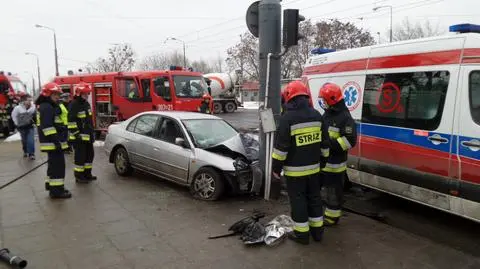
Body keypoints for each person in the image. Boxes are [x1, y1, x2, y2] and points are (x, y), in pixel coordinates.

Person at [271, 81, 330, 245]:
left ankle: (302, 235)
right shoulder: (317, 115)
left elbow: (281, 149)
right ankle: (318, 233)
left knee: (299, 202)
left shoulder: (287, 118)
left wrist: (276, 169)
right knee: (315, 199)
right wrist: (322, 163)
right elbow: (325, 145)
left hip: (295, 173)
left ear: (289, 98)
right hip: (314, 170)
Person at [317, 83, 357, 226]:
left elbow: (350, 141)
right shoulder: (327, 114)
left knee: (333, 193)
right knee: (324, 192)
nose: (323, 103)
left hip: (335, 165)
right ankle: (324, 214)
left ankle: (332, 218)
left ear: (333, 100)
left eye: (324, 100)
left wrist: (328, 144)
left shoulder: (345, 118)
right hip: (324, 163)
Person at [36, 82, 72, 199]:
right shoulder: (47, 107)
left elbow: (53, 124)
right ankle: (57, 191)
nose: (58, 96)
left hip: (52, 142)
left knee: (53, 166)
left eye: (58, 94)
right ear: (48, 94)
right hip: (52, 142)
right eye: (55, 94)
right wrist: (57, 143)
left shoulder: (48, 105)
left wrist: (61, 128)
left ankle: (53, 187)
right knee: (58, 167)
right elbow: (48, 127)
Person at [68, 82, 97, 183]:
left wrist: (92, 134)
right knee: (80, 157)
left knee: (90, 155)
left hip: (87, 136)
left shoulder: (86, 103)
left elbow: (88, 120)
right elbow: (71, 121)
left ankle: (87, 174)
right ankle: (79, 176)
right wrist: (77, 134)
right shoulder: (74, 104)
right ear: (79, 93)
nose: (87, 95)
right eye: (85, 93)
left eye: (88, 93)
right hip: (79, 138)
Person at [11, 94, 36, 159]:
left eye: (31, 100)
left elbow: (35, 115)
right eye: (28, 100)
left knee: (31, 140)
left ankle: (31, 154)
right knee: (24, 141)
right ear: (24, 101)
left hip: (30, 126)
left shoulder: (33, 107)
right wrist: (17, 124)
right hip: (21, 127)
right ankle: (25, 151)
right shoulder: (17, 108)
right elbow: (14, 116)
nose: (30, 102)